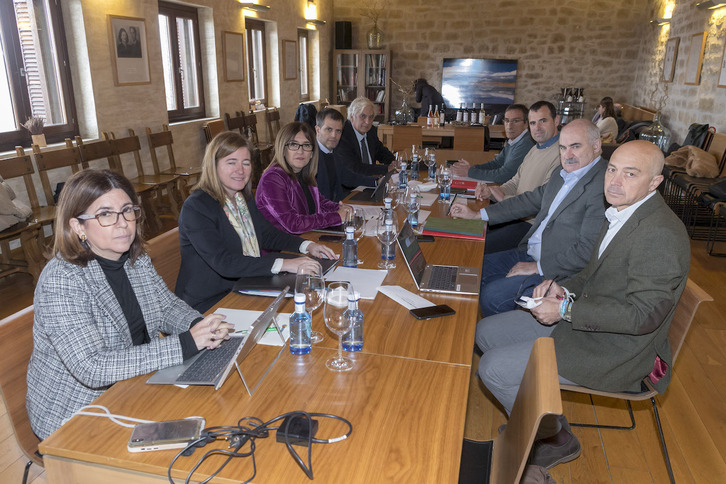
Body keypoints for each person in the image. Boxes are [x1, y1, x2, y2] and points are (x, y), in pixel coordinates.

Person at [474, 140, 690, 468]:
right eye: (613, 170)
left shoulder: (660, 235)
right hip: (591, 319)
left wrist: (565, 310)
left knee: (492, 368)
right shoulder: (621, 210)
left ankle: (554, 438)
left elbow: (643, 316)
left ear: (654, 182)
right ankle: (539, 413)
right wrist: (562, 288)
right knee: (486, 331)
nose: (614, 181)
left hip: (618, 350)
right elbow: (591, 272)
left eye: (630, 174)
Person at [26, 169, 233, 440]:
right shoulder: (62, 280)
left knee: (220, 413)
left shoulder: (135, 258)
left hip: (133, 382)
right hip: (77, 413)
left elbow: (166, 306)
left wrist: (199, 325)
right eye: (105, 214)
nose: (122, 223)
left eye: (127, 210)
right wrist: (185, 343)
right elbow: (92, 367)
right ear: (77, 226)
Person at [451, 119, 607, 316]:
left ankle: (501, 338)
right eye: (562, 148)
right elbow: (528, 201)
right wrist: (477, 215)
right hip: (530, 253)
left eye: (575, 147)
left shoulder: (603, 187)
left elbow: (587, 251)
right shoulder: (562, 173)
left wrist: (538, 267)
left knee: (491, 296)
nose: (567, 155)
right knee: (471, 268)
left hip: (557, 270)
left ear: (596, 146)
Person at [175, 132, 335, 313]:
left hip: (244, 285)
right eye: (231, 162)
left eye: (246, 163)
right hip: (209, 303)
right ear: (214, 166)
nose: (240, 170)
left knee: (307, 300)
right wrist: (285, 264)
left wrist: (307, 246)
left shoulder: (242, 198)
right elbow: (224, 262)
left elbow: (267, 234)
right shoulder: (197, 207)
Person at [474, 101, 563, 254]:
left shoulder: (562, 154)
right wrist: (493, 190)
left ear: (556, 120)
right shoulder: (535, 148)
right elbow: (516, 180)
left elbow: (542, 202)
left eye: (543, 121)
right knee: (470, 230)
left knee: (476, 247)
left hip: (531, 225)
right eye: (533, 123)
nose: (538, 128)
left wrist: (504, 198)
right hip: (514, 215)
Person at [255, 121, 351, 234]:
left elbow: (321, 204)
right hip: (281, 249)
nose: (300, 151)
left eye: (306, 145)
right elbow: (293, 223)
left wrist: (342, 208)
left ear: (312, 153)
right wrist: (337, 217)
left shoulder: (303, 174)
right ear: (283, 149)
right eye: (294, 144)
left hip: (307, 239)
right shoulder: (273, 178)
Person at [451, 104, 534, 183]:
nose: (509, 126)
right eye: (507, 121)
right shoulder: (514, 140)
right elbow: (496, 164)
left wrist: (470, 172)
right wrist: (471, 168)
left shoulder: (526, 142)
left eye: (515, 121)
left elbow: (505, 175)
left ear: (526, 123)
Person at [334, 97, 395, 198]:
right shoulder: (343, 135)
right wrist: (386, 169)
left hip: (373, 183)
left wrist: (393, 161)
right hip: (352, 190)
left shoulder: (371, 131)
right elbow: (355, 168)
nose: (367, 122)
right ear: (351, 116)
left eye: (371, 117)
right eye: (363, 116)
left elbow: (380, 151)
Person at [315, 108, 345, 202]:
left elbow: (347, 176)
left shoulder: (334, 152)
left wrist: (376, 182)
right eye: (329, 129)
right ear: (318, 130)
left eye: (338, 131)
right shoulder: (309, 156)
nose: (333, 135)